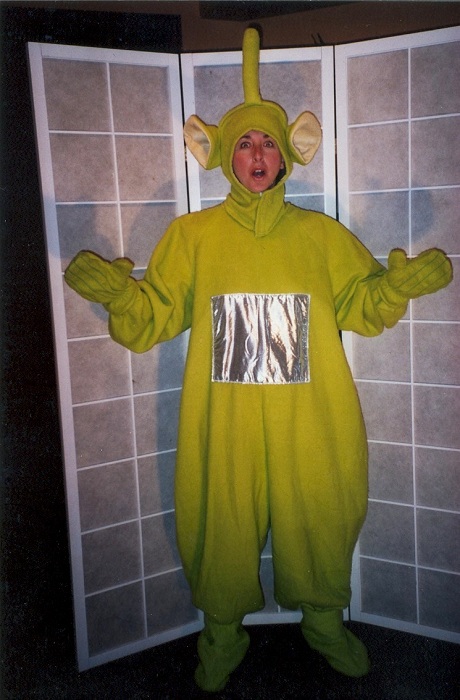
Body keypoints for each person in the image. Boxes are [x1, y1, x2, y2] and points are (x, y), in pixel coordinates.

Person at [65, 28, 453, 692]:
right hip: (227, 416)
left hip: (311, 411)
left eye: (268, 141)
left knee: (320, 509)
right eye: (243, 141)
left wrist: (396, 287)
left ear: (286, 155)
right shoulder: (191, 236)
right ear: (223, 155)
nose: (257, 153)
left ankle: (324, 622)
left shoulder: (320, 235)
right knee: (221, 517)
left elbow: (360, 305)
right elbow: (154, 315)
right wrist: (117, 295)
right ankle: (221, 633)